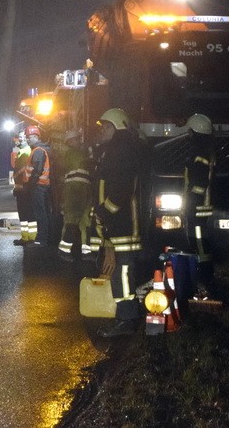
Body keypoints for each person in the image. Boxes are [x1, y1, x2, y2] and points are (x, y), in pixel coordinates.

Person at [92, 108, 149, 338]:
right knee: (118, 271)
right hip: (117, 223)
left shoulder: (121, 152)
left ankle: (127, 319)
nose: (102, 130)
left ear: (117, 128)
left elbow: (121, 190)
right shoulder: (115, 151)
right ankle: (124, 316)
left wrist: (104, 212)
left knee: (123, 271)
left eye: (106, 126)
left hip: (124, 223)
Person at [183, 113, 216, 295]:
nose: (188, 133)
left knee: (199, 240)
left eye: (190, 130)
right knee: (198, 240)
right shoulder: (203, 150)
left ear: (196, 132)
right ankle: (202, 274)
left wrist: (191, 199)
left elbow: (200, 183)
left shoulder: (199, 152)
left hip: (199, 206)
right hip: (199, 205)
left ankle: (205, 275)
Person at [56, 129, 94, 264]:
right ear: (70, 141)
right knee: (72, 220)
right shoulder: (71, 153)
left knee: (86, 222)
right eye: (76, 139)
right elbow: (84, 163)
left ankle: (87, 251)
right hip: (75, 191)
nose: (79, 141)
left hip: (84, 190)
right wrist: (91, 155)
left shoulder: (76, 152)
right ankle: (64, 250)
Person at [14, 125, 52, 247]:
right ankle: (40, 239)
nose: (27, 139)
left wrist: (29, 187)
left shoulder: (38, 151)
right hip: (38, 187)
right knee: (39, 213)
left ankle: (41, 240)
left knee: (40, 214)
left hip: (38, 187)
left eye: (29, 137)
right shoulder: (36, 150)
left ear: (36, 136)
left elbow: (36, 172)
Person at [10, 131, 34, 228]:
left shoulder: (27, 151)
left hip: (25, 188)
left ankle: (31, 238)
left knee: (28, 214)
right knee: (23, 214)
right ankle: (25, 237)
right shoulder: (22, 151)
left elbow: (25, 171)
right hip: (21, 188)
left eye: (19, 138)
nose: (17, 140)